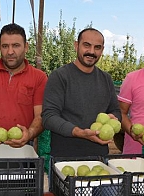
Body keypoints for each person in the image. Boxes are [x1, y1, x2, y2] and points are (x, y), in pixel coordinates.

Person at [41, 28, 121, 158]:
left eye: (97, 47)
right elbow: (49, 117)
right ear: (76, 45)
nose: (91, 51)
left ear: (102, 50)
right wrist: (79, 132)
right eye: (87, 45)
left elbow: (116, 111)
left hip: (99, 158)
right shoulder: (60, 76)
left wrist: (112, 117)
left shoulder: (106, 79)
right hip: (64, 159)